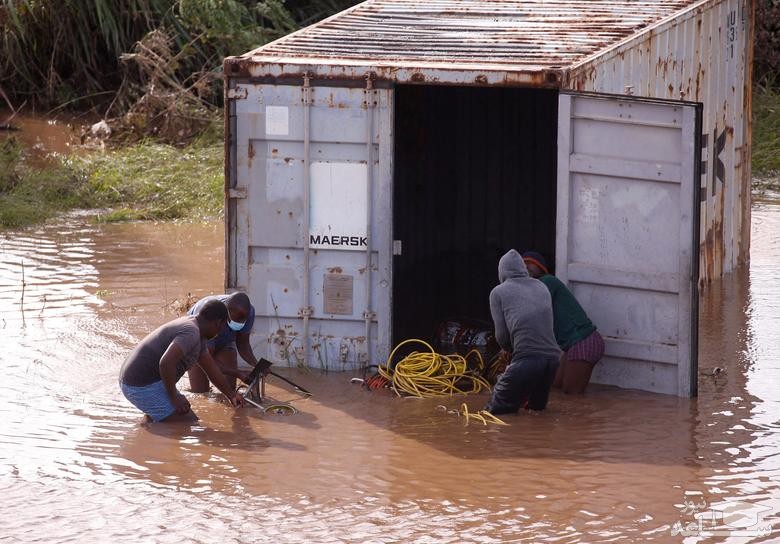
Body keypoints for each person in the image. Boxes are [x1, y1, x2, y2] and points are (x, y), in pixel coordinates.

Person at [119, 299, 244, 422]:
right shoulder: (191, 332)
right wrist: (174, 397)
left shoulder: (198, 333)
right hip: (140, 384)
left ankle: (146, 433)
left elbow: (211, 370)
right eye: (222, 327)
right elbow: (166, 363)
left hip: (144, 380)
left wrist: (231, 395)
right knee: (187, 424)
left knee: (170, 420)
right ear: (218, 323)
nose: (219, 333)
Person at [485, 249, 561, 415]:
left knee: (494, 412)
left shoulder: (498, 292)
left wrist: (510, 352)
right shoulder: (542, 287)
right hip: (553, 361)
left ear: (501, 272)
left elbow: (502, 336)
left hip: (528, 360)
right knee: (536, 412)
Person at [522, 251, 605, 394]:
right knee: (556, 387)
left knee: (570, 395)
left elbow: (532, 309)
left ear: (541, 268)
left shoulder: (548, 281)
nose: (526, 266)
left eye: (530, 263)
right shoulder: (535, 288)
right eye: (522, 264)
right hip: (574, 345)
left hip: (583, 341)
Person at [186, 292, 259, 393]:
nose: (239, 323)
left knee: (230, 389)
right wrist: (238, 373)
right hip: (198, 344)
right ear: (225, 315)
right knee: (200, 392)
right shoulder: (211, 314)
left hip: (225, 341)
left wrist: (257, 365)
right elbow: (208, 361)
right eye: (236, 320)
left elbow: (243, 344)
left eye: (242, 320)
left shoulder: (249, 312)